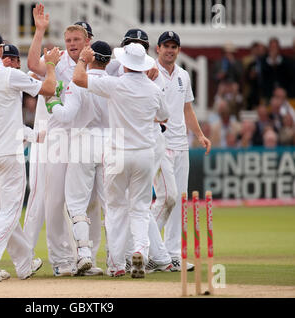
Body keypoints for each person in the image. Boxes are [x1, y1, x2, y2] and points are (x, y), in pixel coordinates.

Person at [0, 29, 59, 282]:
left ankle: (25, 264)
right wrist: (50, 65)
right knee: (10, 212)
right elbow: (49, 88)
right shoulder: (8, 75)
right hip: (8, 154)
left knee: (2, 211)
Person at [73, 43, 169, 278]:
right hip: (144, 154)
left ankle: (116, 265)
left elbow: (78, 80)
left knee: (115, 210)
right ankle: (140, 252)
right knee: (139, 209)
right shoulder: (153, 89)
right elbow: (164, 116)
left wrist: (84, 60)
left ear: (125, 64)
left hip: (118, 153)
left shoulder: (115, 84)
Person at [26, 3, 91, 277]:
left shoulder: (97, 59)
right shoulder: (59, 58)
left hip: (87, 137)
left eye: (77, 40)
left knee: (87, 203)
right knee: (53, 201)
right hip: (57, 138)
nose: (72, 44)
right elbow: (31, 65)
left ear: (87, 41)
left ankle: (87, 257)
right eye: (69, 40)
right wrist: (40, 31)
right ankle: (61, 260)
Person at [49, 41, 112, 276]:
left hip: (84, 142)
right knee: (111, 204)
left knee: (76, 203)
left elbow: (66, 116)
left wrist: (52, 102)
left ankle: (84, 254)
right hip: (111, 145)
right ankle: (117, 259)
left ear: (91, 57)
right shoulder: (115, 83)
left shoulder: (78, 82)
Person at [152, 31, 211, 271]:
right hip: (159, 144)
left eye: (174, 46)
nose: (170, 50)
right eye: (166, 46)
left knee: (179, 201)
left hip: (181, 145)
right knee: (168, 196)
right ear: (158, 48)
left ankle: (172, 253)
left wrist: (199, 135)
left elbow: (188, 109)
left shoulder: (183, 76)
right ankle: (145, 247)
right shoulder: (149, 72)